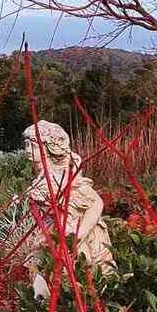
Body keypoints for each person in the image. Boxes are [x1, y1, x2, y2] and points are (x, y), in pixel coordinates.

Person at [22, 120, 114, 296]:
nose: (27, 150)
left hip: (70, 240)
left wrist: (76, 235)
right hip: (46, 238)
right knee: (42, 290)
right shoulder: (41, 179)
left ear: (49, 148)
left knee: (71, 290)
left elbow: (96, 203)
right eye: (26, 145)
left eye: (32, 145)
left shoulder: (63, 178)